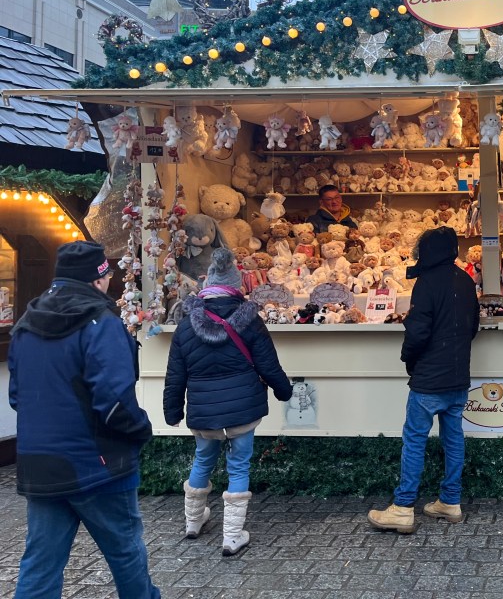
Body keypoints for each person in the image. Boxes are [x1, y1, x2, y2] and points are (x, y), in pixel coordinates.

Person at [8, 240, 161, 599]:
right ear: (99, 279)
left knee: (40, 564)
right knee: (125, 554)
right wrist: (141, 431)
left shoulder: (25, 324)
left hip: (40, 464)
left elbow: (17, 398)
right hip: (98, 466)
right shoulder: (101, 322)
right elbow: (113, 403)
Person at [163, 247, 293, 556]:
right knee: (238, 466)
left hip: (203, 412)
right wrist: (284, 391)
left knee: (203, 460)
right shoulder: (251, 322)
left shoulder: (185, 325)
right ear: (236, 286)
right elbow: (268, 366)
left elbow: (174, 376)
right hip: (242, 410)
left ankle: (193, 523)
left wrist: (172, 412)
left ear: (208, 287)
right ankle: (233, 537)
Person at [368, 226, 480, 534]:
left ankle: (403, 508)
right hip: (458, 376)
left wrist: (408, 359)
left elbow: (417, 332)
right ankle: (450, 501)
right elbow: (473, 328)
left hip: (429, 377)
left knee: (415, 439)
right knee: (453, 438)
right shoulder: (465, 280)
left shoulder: (427, 283)